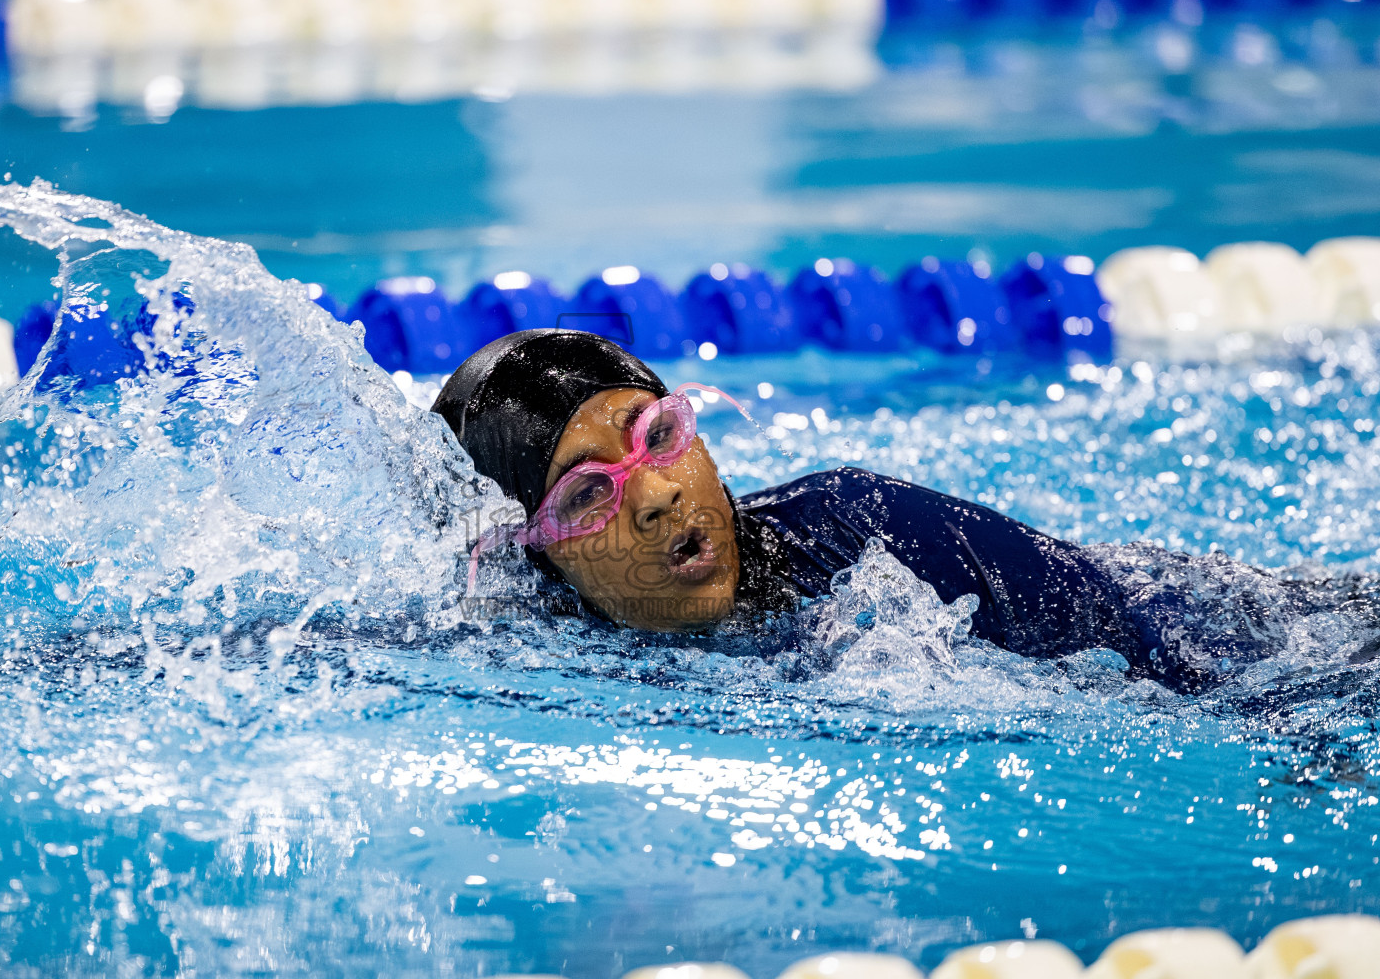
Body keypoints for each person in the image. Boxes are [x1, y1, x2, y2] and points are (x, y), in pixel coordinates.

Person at [431, 329, 1372, 692]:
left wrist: (1295, 714)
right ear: (536, 551)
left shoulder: (861, 532)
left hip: (1255, 630)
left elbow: (1140, 634)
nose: (659, 494)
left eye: (660, 433)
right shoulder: (527, 643)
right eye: (589, 492)